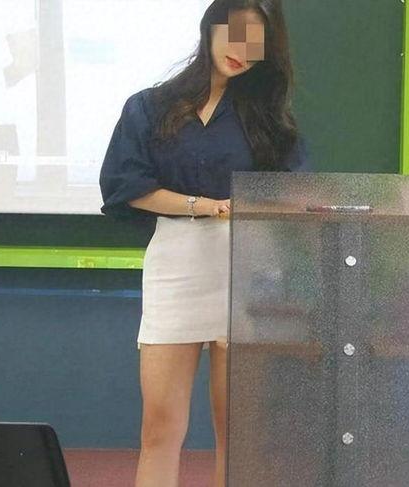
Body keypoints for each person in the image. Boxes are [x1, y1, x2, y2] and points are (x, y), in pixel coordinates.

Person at [99, 1, 311, 485]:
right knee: (160, 428)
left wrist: (261, 208)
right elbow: (125, 186)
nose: (243, 51)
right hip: (177, 264)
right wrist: (204, 205)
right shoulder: (149, 107)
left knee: (237, 435)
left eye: (256, 44)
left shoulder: (270, 120)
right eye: (236, 35)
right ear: (211, 26)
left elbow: (294, 194)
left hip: (249, 269)